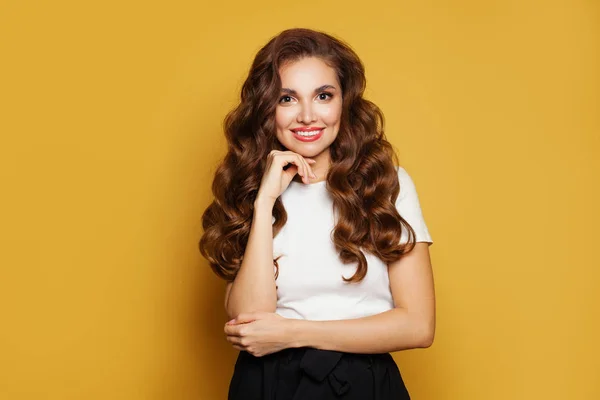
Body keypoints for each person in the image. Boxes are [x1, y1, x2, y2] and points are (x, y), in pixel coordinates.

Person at [199, 27, 435, 400]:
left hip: (361, 384)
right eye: (287, 99)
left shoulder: (386, 184)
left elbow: (418, 326)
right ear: (266, 109)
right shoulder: (250, 189)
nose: (307, 116)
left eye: (323, 96)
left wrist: (293, 333)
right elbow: (246, 321)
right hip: (265, 385)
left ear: (345, 103)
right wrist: (263, 204)